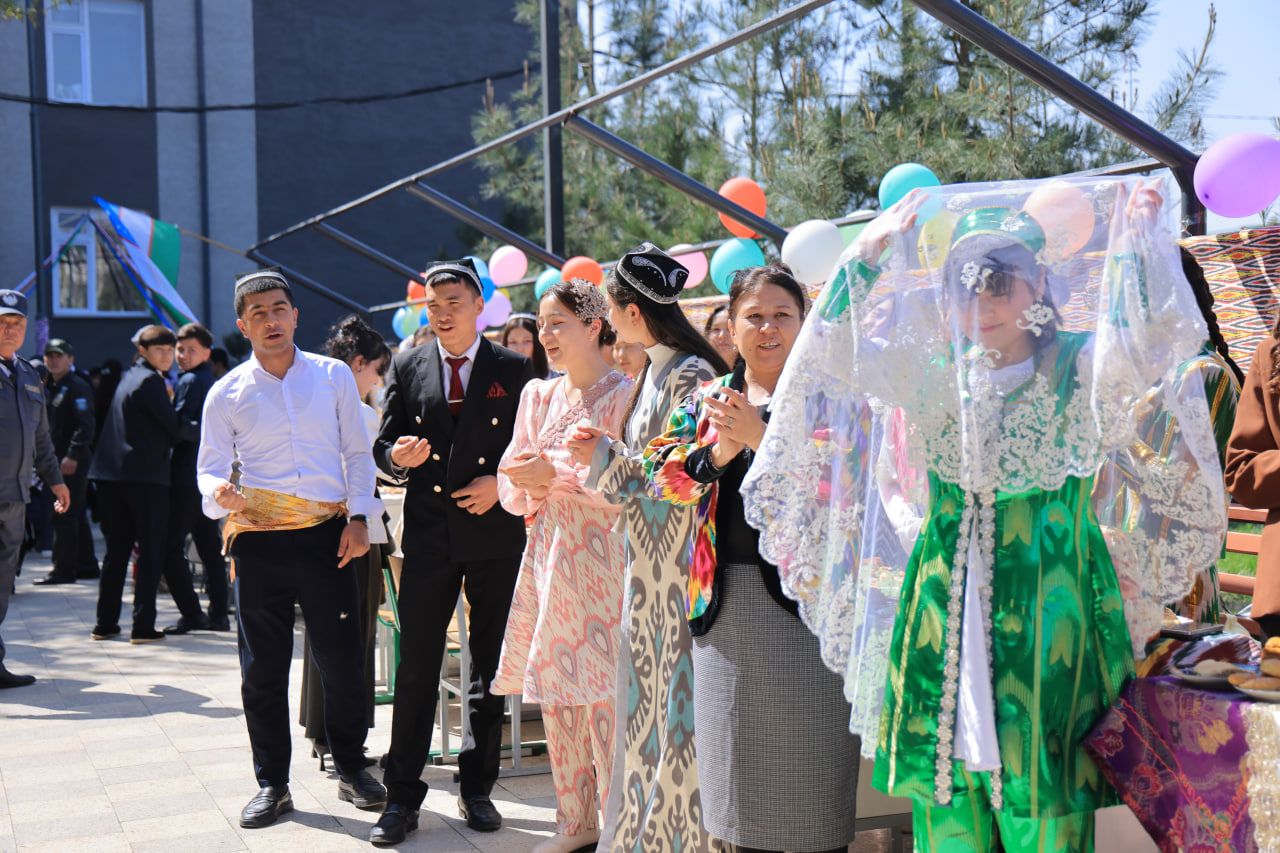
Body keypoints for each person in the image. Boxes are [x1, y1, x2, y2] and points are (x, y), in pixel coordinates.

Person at [741, 178, 1225, 852]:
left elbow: (1159, 345)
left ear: (1038, 288)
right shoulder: (934, 373)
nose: (985, 298)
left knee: (1044, 810)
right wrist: (868, 256)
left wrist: (1141, 251)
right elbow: (830, 356)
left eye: (1002, 279)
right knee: (948, 808)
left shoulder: (1080, 367)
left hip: (1053, 616)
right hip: (941, 614)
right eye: (967, 282)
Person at [644, 263, 859, 853]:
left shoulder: (833, 396)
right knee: (733, 778)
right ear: (730, 329)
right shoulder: (711, 398)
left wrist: (767, 442)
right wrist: (718, 454)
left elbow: (854, 488)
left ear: (804, 322)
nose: (768, 328)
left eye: (782, 315)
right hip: (724, 609)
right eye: (753, 316)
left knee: (809, 774)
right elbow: (660, 478)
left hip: (809, 611)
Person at [198, 269, 386, 828]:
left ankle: (352, 766)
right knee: (262, 668)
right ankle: (272, 784)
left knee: (343, 658)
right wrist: (220, 493)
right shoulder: (225, 392)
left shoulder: (331, 377)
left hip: (329, 537)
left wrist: (359, 519)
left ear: (295, 315)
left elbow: (358, 453)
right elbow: (207, 468)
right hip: (258, 543)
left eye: (279, 308)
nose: (271, 320)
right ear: (242, 325)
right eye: (258, 313)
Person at [565, 243, 728, 853]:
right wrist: (605, 452)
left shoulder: (691, 374)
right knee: (652, 710)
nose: (608, 319)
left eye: (611, 307)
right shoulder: (664, 369)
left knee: (673, 711)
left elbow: (681, 474)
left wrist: (602, 456)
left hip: (677, 564)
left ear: (632, 311)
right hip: (650, 563)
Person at [370, 259, 534, 846]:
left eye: (454, 303)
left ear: (479, 303)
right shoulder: (409, 362)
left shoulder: (513, 366)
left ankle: (477, 788)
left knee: (488, 666)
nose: (442, 314)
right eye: (433, 306)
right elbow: (384, 442)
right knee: (417, 665)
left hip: (493, 532)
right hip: (431, 534)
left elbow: (531, 443)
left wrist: (501, 483)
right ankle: (401, 797)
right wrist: (397, 458)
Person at [493, 279, 632, 853]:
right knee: (556, 686)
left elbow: (632, 486)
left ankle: (617, 821)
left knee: (604, 690)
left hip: (605, 555)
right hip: (549, 553)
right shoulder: (537, 397)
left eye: (559, 324)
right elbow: (508, 478)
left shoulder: (627, 393)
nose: (546, 335)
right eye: (543, 324)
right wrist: (525, 483)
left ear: (595, 325)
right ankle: (573, 822)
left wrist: (559, 479)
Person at [299, 315, 392, 767]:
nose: (379, 379)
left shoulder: (313, 398)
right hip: (355, 529)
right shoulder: (358, 410)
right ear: (358, 364)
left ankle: (322, 731)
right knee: (352, 635)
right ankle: (344, 738)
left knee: (323, 633)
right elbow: (366, 474)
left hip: (315, 528)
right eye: (377, 369)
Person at [89, 325, 199, 644]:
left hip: (113, 478)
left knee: (117, 553)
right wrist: (208, 428)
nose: (167, 357)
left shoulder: (129, 378)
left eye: (170, 351)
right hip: (144, 480)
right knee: (150, 552)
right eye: (159, 351)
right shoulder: (151, 381)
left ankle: (105, 623)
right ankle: (143, 626)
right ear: (143, 351)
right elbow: (175, 427)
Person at [0, 290, 69, 688]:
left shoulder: (28, 373)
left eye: (17, 323)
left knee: (2, 585)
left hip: (15, 497)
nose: (10, 329)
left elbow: (41, 437)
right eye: (3, 322)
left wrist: (56, 480)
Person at [158, 323, 231, 634]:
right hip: (209, 477)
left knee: (170, 546)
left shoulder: (189, 380)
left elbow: (180, 427)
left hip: (187, 476)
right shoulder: (212, 380)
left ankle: (192, 612)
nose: (182, 355)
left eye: (190, 350)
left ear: (206, 352)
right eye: (180, 349)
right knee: (208, 547)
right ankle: (218, 613)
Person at [34, 338, 98, 584]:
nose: (53, 360)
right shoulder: (55, 386)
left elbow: (85, 425)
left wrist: (73, 454)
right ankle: (86, 564)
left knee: (63, 514)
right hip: (58, 460)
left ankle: (63, 569)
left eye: (59, 355)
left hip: (71, 461)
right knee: (74, 514)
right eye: (49, 356)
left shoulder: (75, 386)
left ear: (70, 359)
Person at [502, 314, 554, 379]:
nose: (519, 349)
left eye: (527, 341)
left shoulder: (556, 381)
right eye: (513, 342)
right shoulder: (495, 382)